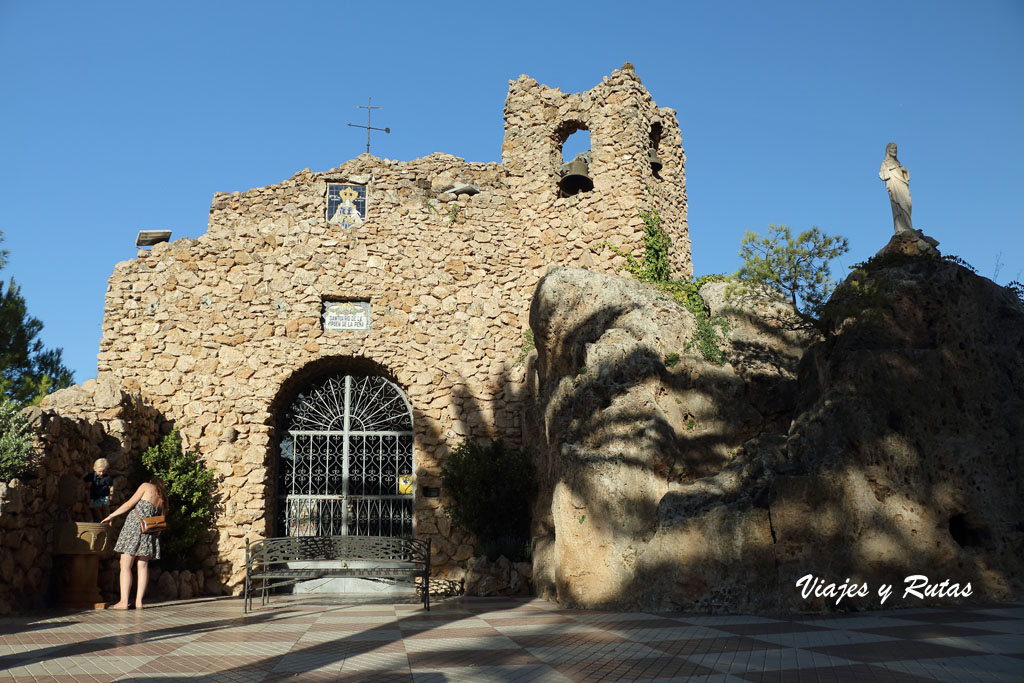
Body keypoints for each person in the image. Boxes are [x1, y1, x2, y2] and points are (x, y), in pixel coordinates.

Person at [101, 478, 167, 609]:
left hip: (134, 527)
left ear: (151, 482)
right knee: (142, 566)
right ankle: (139, 602)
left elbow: (129, 504)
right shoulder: (162, 499)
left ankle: (124, 601)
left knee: (125, 565)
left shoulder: (146, 486)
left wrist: (111, 515)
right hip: (149, 531)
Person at [879, 142, 912, 233]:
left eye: (895, 149)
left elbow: (906, 177)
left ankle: (908, 226)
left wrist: (905, 171)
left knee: (907, 203)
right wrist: (890, 168)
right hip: (894, 186)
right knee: (898, 205)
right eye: (892, 148)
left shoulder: (898, 162)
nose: (894, 150)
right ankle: (901, 228)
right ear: (888, 150)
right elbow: (882, 175)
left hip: (903, 184)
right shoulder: (885, 163)